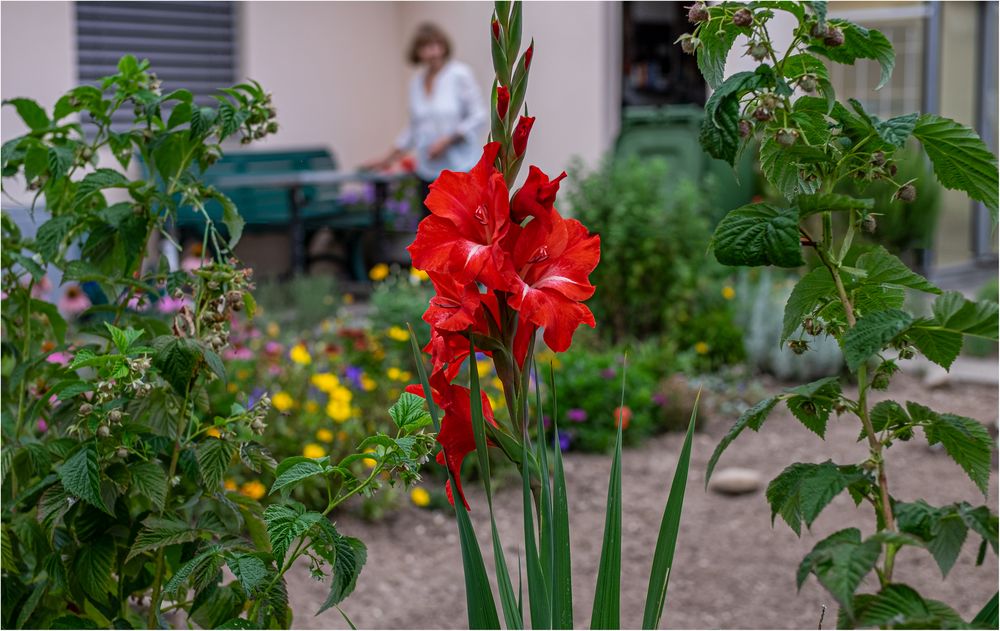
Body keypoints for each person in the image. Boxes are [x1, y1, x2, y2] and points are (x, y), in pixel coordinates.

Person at [365, 23, 488, 207]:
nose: (432, 51)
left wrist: (447, 140)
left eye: (436, 44)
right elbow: (414, 129)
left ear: (444, 46)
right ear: (417, 51)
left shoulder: (460, 74)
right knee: (430, 230)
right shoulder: (415, 83)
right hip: (428, 174)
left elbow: (479, 115)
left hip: (461, 170)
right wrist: (387, 159)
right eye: (425, 46)